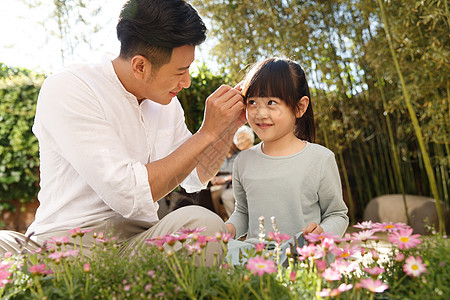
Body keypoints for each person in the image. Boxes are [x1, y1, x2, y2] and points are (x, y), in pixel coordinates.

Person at [0, 0, 246, 265]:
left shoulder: (167, 104)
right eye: (180, 71)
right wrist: (206, 133)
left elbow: (195, 175)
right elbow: (127, 194)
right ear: (140, 66)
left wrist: (227, 126)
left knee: (206, 225)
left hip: (137, 245)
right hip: (63, 246)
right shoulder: (71, 87)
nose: (186, 82)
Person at [225, 58, 349, 263]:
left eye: (272, 102)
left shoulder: (320, 158)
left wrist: (322, 233)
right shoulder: (243, 161)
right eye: (252, 102)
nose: (260, 113)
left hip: (302, 254)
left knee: (295, 254)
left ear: (300, 107)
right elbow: (243, 213)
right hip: (256, 255)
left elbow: (337, 214)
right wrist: (225, 231)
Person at [210, 125, 255, 219]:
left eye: (243, 138)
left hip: (246, 186)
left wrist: (226, 179)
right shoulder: (241, 156)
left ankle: (237, 223)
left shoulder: (251, 153)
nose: (241, 141)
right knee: (215, 193)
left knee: (226, 195)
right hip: (234, 185)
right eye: (238, 139)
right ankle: (225, 220)